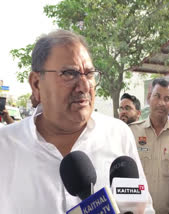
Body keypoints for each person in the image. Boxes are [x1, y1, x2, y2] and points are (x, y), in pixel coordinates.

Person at [0, 30, 154, 214]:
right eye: (69, 73)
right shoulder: (5, 146)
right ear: (36, 84)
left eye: (89, 74)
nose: (84, 86)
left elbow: (145, 209)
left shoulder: (118, 134)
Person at [129, 78, 169, 214]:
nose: (161, 103)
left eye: (167, 98)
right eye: (157, 96)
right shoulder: (132, 132)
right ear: (149, 98)